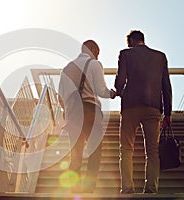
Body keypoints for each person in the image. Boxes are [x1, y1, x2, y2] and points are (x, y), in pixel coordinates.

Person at [114, 30, 172, 194]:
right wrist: (167, 113)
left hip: (130, 107)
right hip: (153, 107)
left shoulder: (125, 54)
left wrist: (118, 91)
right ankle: (151, 189)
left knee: (126, 149)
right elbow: (166, 87)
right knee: (152, 151)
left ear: (132, 41)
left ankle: (127, 188)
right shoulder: (160, 56)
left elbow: (121, 79)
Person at [58, 40, 116, 193]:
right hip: (90, 111)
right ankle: (89, 188)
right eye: (97, 52)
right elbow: (101, 90)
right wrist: (112, 94)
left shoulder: (66, 68)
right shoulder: (94, 64)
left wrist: (69, 109)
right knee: (94, 150)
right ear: (91, 49)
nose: (97, 56)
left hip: (73, 114)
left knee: (75, 152)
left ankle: (74, 189)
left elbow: (60, 97)